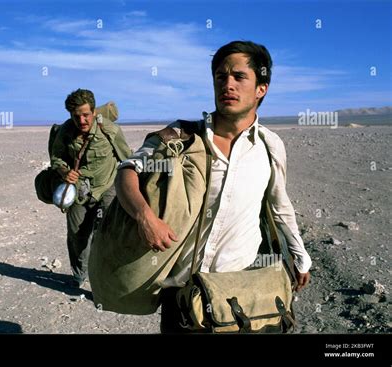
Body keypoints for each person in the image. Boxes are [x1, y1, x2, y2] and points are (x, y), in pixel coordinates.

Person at [115, 41, 312, 332]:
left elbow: (279, 205)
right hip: (183, 291)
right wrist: (144, 216)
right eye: (221, 77)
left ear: (261, 88)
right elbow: (127, 170)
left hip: (235, 287)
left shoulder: (270, 147)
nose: (227, 85)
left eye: (239, 77)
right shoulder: (181, 136)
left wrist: (300, 256)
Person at [51, 89, 132, 287]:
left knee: (104, 234)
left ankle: (103, 278)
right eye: (76, 116)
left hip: (107, 188)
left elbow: (127, 159)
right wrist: (64, 172)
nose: (82, 121)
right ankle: (79, 276)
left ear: (94, 112)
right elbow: (56, 158)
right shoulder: (66, 131)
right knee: (77, 236)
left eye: (86, 115)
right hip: (79, 192)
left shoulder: (110, 130)